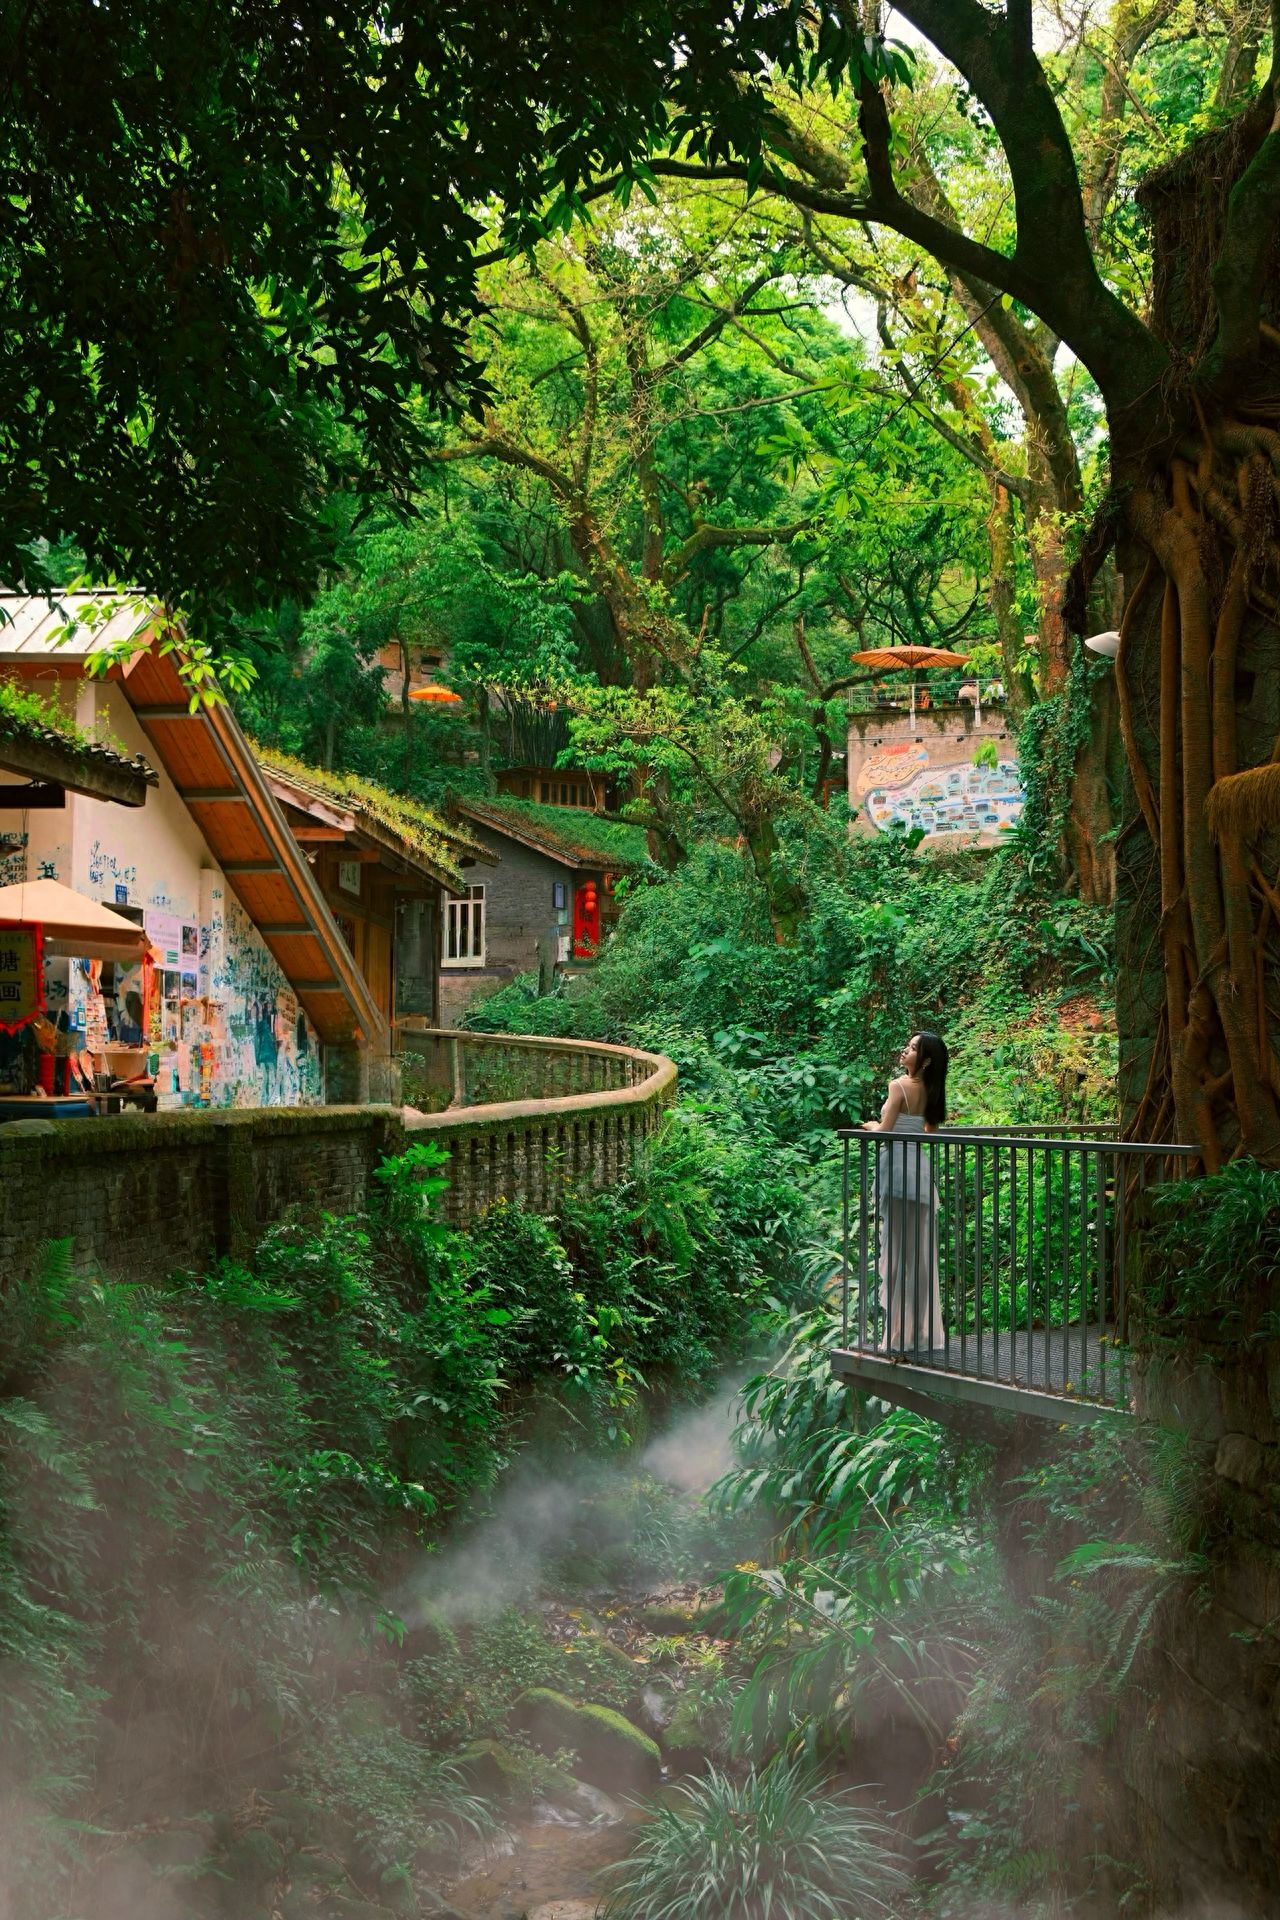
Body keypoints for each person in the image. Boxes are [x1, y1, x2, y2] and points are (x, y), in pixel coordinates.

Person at [862, 1031, 949, 1353]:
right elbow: (930, 1133)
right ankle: (923, 1334)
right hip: (921, 1173)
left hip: (898, 1171)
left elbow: (884, 1133)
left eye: (913, 1049)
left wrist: (873, 1126)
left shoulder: (898, 1086)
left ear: (925, 1060)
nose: (905, 1050)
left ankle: (897, 1336)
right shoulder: (932, 1090)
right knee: (921, 1257)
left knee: (897, 1256)